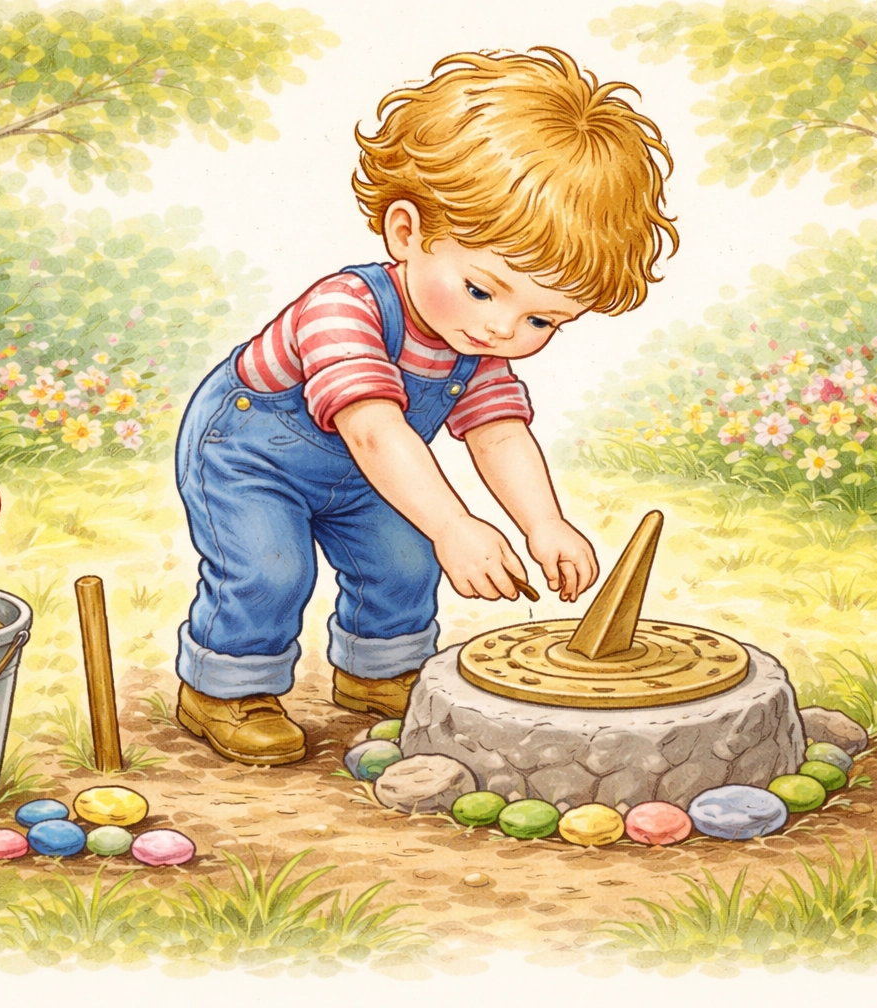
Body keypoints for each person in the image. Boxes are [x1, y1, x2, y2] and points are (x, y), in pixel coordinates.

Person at [172, 47, 678, 765]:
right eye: (483, 288)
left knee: (405, 561)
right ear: (406, 232)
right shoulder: (342, 308)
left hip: (367, 471)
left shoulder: (476, 345)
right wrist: (457, 524)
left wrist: (543, 523)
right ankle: (225, 688)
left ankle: (378, 674)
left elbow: (499, 433)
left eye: (543, 321)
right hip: (250, 453)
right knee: (270, 568)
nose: (503, 328)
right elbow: (376, 430)